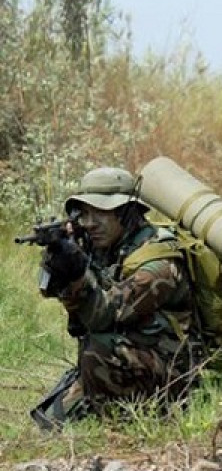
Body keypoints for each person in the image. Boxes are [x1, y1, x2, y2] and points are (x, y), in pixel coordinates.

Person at [30, 167, 200, 429]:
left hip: (171, 374)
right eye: (84, 213)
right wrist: (59, 257)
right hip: (125, 357)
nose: (90, 223)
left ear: (127, 212)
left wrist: (78, 273)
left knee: (97, 349)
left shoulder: (158, 261)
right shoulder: (104, 246)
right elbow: (47, 290)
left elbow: (105, 315)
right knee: (49, 424)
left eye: (100, 212)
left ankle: (128, 424)